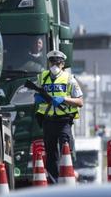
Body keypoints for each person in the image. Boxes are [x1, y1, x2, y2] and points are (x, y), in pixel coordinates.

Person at [34, 50, 84, 182]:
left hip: (64, 121)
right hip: (48, 121)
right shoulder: (42, 77)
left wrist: (64, 99)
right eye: (52, 62)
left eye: (58, 62)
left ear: (63, 64)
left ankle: (69, 179)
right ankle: (54, 181)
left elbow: (80, 102)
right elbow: (36, 94)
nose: (54, 65)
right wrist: (38, 98)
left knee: (66, 149)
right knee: (51, 154)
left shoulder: (69, 79)